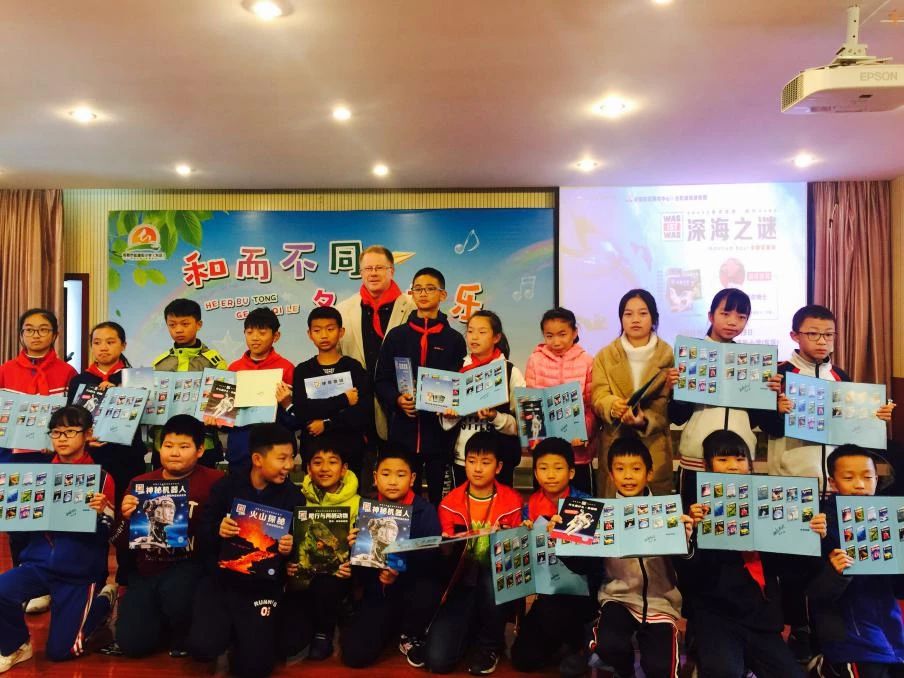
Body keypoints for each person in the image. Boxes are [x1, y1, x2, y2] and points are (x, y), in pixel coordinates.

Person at [679, 429, 825, 678]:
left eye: (739, 459)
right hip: (716, 615)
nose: (733, 466)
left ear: (749, 464)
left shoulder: (769, 502)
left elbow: (787, 568)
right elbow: (689, 576)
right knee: (724, 672)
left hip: (760, 616)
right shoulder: (694, 510)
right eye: (723, 459)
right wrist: (689, 538)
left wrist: (809, 537)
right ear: (707, 465)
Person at [555, 436, 692, 678]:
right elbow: (585, 565)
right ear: (610, 474)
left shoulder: (668, 513)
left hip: (661, 603)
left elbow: (685, 565)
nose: (628, 476)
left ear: (649, 473)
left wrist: (687, 540)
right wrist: (563, 540)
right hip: (617, 599)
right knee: (608, 646)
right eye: (620, 469)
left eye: (636, 469)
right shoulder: (600, 515)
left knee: (660, 668)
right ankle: (624, 669)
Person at [0, 407, 116, 670]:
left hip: (79, 574)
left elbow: (107, 533)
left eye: (71, 431)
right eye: (56, 432)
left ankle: (103, 601)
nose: (62, 438)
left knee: (62, 651)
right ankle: (17, 645)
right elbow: (18, 531)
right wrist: (10, 510)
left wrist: (101, 514)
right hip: (38, 565)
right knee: (2, 590)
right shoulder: (34, 477)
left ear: (88, 434)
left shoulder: (101, 478)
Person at [188, 423, 301, 678]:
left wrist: (289, 547)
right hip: (222, 581)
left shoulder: (294, 496)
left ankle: (247, 637)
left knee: (254, 668)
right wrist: (218, 529)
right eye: (282, 458)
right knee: (202, 647)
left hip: (264, 587)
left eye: (291, 457)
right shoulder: (226, 487)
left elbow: (298, 553)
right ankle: (228, 633)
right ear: (258, 459)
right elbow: (202, 533)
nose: (289, 465)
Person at [109, 414, 223, 659]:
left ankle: (181, 626)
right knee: (131, 644)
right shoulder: (140, 483)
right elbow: (120, 542)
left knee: (179, 594)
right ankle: (158, 622)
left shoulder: (216, 481)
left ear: (200, 450)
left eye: (184, 447)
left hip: (192, 566)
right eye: (168, 445)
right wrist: (125, 518)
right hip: (147, 568)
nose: (174, 453)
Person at [668, 288, 781, 508]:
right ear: (711, 316)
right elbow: (677, 416)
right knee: (693, 522)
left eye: (741, 317)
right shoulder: (690, 355)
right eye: (725, 313)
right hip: (696, 459)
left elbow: (760, 420)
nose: (732, 322)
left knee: (735, 523)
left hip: (738, 461)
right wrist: (676, 390)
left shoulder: (754, 362)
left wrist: (769, 394)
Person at [424, 431, 523, 675]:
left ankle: (490, 645)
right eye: (471, 461)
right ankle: (470, 630)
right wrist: (445, 548)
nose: (477, 469)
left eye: (485, 462)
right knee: (437, 661)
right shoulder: (449, 503)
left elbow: (517, 561)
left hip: (494, 583)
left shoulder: (512, 502)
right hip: (461, 583)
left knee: (491, 579)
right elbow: (445, 562)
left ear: (498, 467)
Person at [765, 304, 895, 489]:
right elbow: (766, 424)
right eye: (813, 334)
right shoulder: (779, 374)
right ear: (795, 336)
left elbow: (851, 428)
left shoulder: (840, 376)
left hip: (835, 480)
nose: (822, 341)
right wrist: (777, 411)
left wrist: (876, 419)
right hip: (790, 477)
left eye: (828, 334)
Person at [0, 309, 78, 611]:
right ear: (21, 334)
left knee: (51, 523)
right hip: (13, 458)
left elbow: (75, 416)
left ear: (55, 335)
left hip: (54, 459)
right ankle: (22, 583)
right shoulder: (5, 370)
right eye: (29, 329)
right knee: (18, 523)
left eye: (43, 329)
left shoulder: (67, 373)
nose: (36, 335)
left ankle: (49, 585)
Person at [339, 447, 443, 669]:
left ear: (412, 479)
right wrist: (352, 548)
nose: (393, 481)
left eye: (401, 474)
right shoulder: (365, 508)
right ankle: (386, 626)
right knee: (354, 656)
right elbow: (360, 566)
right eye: (386, 474)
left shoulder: (425, 511)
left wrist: (401, 570)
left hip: (412, 590)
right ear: (375, 477)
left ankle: (411, 632)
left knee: (428, 589)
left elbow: (433, 560)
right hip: (378, 592)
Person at [807, 444, 904, 678]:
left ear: (876, 480)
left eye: (868, 477)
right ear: (832, 482)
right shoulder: (818, 523)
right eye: (849, 478)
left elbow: (899, 588)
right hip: (849, 638)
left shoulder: (889, 518)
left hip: (891, 631)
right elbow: (813, 594)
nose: (860, 485)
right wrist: (835, 571)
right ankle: (823, 667)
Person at [374, 267, 467, 505]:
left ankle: (438, 531)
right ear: (412, 293)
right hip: (402, 433)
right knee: (403, 499)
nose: (423, 293)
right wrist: (397, 399)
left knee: (440, 500)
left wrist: (451, 404)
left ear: (442, 295)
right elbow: (381, 380)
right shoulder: (397, 336)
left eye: (430, 289)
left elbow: (461, 383)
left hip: (440, 435)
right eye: (418, 289)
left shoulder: (454, 340)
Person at [510, 437, 597, 674]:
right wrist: (523, 537)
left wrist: (562, 536)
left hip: (582, 593)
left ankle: (581, 641)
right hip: (547, 590)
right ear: (535, 473)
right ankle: (562, 642)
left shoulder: (586, 505)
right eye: (543, 468)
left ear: (571, 472)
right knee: (522, 659)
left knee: (555, 615)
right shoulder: (529, 506)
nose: (550, 475)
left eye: (558, 468)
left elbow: (590, 563)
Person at [591, 289, 675, 496]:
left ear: (654, 318)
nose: (635, 319)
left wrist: (644, 420)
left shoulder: (668, 356)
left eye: (643, 313)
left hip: (653, 444)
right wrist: (613, 406)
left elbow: (666, 404)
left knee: (654, 508)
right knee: (614, 508)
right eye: (628, 314)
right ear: (621, 318)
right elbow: (598, 394)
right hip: (615, 441)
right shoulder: (605, 355)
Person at [336, 245, 417, 442]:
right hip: (358, 406)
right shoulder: (343, 310)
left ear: (392, 271)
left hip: (403, 405)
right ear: (361, 272)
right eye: (368, 268)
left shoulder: (413, 307)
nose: (373, 273)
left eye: (379, 268)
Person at [293, 435, 361, 661]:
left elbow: (367, 549)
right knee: (290, 644)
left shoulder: (359, 503)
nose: (324, 468)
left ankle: (324, 632)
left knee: (328, 583)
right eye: (317, 462)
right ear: (308, 468)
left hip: (339, 575)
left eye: (332, 462)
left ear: (344, 469)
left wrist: (353, 561)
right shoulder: (298, 499)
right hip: (303, 575)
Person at [440, 310, 525, 486]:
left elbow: (523, 424)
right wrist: (449, 415)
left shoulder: (510, 372)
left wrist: (495, 416)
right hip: (462, 459)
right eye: (470, 331)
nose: (474, 337)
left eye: (482, 332)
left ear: (496, 337)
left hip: (498, 461)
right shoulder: (456, 370)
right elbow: (444, 422)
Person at [293, 305, 372, 479]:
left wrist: (327, 423)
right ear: (309, 334)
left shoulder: (353, 367)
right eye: (317, 330)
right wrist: (343, 400)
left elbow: (362, 413)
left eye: (330, 329)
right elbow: (302, 410)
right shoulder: (303, 370)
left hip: (349, 450)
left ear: (341, 332)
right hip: (314, 451)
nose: (324, 335)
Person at [524, 307, 596, 494]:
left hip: (577, 452)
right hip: (545, 452)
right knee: (543, 505)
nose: (556, 341)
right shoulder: (535, 360)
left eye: (562, 334)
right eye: (549, 336)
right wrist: (535, 441)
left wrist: (584, 433)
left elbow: (591, 407)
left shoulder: (587, 361)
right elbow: (530, 404)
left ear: (574, 332)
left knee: (580, 503)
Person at [152, 298, 227, 468]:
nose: (178, 329)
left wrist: (217, 416)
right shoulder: (159, 363)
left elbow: (223, 408)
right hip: (165, 445)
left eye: (185, 324)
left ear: (199, 324)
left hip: (203, 444)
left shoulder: (215, 362)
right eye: (172, 325)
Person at [223, 307, 296, 470]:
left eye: (262, 333)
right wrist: (217, 418)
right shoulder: (234, 369)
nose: (255, 338)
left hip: (274, 452)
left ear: (276, 336)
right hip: (240, 450)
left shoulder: (287, 369)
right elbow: (224, 416)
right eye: (249, 332)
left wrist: (286, 403)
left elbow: (295, 419)